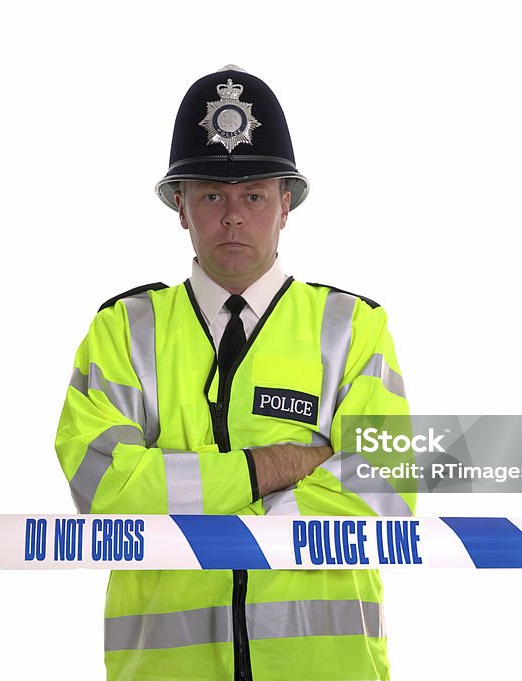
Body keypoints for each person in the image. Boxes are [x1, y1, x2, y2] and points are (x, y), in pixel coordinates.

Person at [55, 65, 415, 681]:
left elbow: (382, 488)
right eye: (211, 195)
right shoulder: (122, 330)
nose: (232, 216)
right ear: (180, 206)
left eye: (253, 195)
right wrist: (272, 467)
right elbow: (104, 491)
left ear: (285, 205)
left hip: (325, 669)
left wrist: (184, 491)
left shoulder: (352, 327)